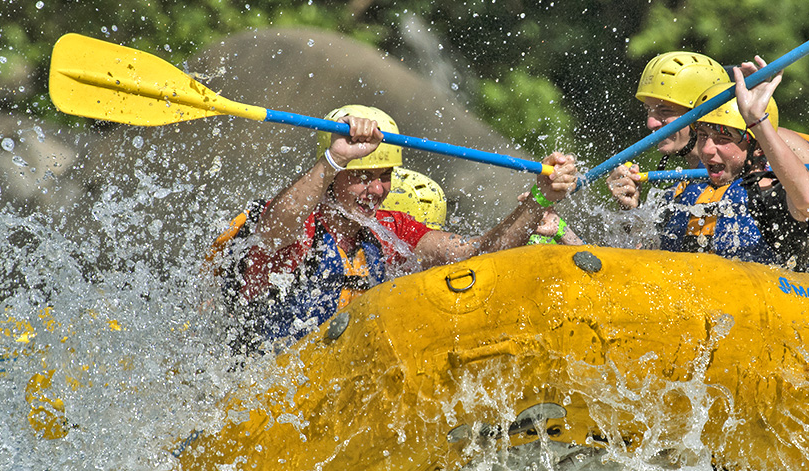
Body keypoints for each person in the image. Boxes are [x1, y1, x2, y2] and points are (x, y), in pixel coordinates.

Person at [212, 104, 577, 349]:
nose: (375, 190)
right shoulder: (299, 221)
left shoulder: (389, 229)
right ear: (335, 174)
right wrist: (335, 158)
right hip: (265, 380)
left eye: (384, 176)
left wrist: (538, 200)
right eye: (362, 176)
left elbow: (475, 254)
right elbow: (272, 233)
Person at [606, 51, 809, 220]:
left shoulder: (777, 143)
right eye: (649, 110)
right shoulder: (683, 180)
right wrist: (631, 211)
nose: (651, 122)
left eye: (665, 111)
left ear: (703, 109)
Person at [655, 58, 809, 270]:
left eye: (723, 139)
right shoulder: (680, 195)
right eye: (703, 135)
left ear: (758, 147)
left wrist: (756, 120)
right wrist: (628, 210)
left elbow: (806, 199)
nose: (707, 150)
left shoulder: (774, 197)